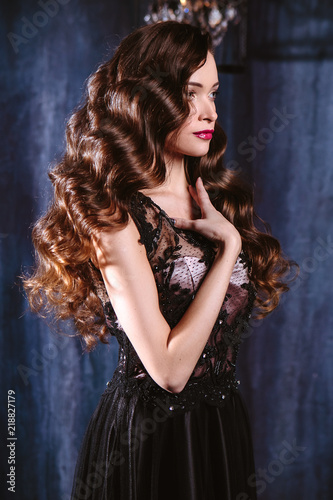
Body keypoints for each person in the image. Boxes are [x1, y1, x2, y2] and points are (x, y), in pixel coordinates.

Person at [23, 21, 294, 500]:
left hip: (222, 429)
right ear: (151, 99)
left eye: (213, 92)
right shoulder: (115, 214)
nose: (210, 110)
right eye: (191, 94)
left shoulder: (213, 201)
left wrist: (227, 235)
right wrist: (228, 249)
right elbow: (169, 373)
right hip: (147, 442)